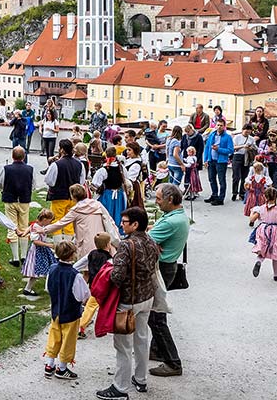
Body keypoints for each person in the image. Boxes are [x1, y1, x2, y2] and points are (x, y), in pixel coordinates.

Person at [96, 206, 159, 400]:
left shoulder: (126, 245)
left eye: (124, 222)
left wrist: (109, 267)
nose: (121, 225)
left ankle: (120, 387)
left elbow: (117, 276)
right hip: (147, 297)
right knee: (141, 338)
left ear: (135, 224)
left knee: (123, 346)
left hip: (128, 301)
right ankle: (141, 379)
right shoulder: (150, 240)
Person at [147, 184, 189, 378]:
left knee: (156, 317)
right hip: (169, 266)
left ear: (170, 200)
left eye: (158, 198)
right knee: (157, 312)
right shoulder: (178, 216)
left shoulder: (171, 222)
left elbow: (143, 241)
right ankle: (157, 350)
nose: (156, 201)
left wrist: (150, 238)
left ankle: (173, 363)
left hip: (161, 269)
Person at [43, 241, 90, 381]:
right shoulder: (75, 275)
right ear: (71, 255)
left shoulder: (52, 269)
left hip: (56, 311)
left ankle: (49, 364)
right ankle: (62, 368)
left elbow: (47, 287)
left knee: (54, 337)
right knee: (68, 340)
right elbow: (82, 295)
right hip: (70, 313)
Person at [0, 147, 34, 267]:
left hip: (10, 199)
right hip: (24, 200)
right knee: (24, 226)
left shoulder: (6, 169)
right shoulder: (29, 169)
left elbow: (0, 184)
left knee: (12, 226)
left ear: (13, 157)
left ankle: (16, 257)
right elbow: (33, 185)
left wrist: (4, 189)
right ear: (23, 157)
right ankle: (23, 256)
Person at [44, 139, 85, 243]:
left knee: (56, 220)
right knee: (70, 221)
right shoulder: (79, 164)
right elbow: (81, 181)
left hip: (59, 196)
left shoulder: (56, 164)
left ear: (62, 150)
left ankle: (58, 247)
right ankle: (68, 246)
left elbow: (49, 180)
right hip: (73, 197)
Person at [249, 187, 277, 282]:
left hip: (263, 230)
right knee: (275, 252)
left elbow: (252, 219)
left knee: (263, 249)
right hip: (275, 231)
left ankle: (259, 261)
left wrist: (251, 212)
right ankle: (276, 275)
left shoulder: (260, 209)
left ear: (265, 197)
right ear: (276, 197)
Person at [78, 232, 113, 339]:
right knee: (92, 306)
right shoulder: (108, 258)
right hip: (103, 286)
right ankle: (80, 327)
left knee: (92, 305)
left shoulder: (92, 253)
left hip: (93, 283)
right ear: (108, 245)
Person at [21, 209, 57, 296]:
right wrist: (48, 245)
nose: (50, 223)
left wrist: (24, 233)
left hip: (42, 250)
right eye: (49, 221)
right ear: (44, 220)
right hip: (37, 251)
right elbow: (35, 241)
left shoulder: (36, 226)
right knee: (37, 270)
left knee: (49, 266)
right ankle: (45, 287)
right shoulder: (37, 228)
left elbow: (30, 227)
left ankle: (29, 288)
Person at [92, 147, 127, 227]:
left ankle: (106, 229)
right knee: (118, 212)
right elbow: (126, 178)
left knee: (107, 213)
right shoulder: (121, 168)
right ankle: (118, 230)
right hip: (119, 194)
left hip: (107, 195)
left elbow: (96, 183)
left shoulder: (103, 170)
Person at [203, 119, 234, 205]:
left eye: (221, 125)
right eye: (218, 125)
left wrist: (219, 149)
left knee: (221, 180)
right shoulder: (212, 135)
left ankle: (221, 198)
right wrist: (206, 159)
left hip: (221, 161)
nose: (219, 127)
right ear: (215, 126)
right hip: (211, 160)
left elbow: (230, 150)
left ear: (224, 126)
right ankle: (214, 195)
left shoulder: (227, 137)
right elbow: (207, 148)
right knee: (211, 179)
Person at [231, 124, 255, 202]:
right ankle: (234, 192)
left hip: (246, 157)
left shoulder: (251, 138)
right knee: (236, 176)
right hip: (237, 156)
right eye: (246, 130)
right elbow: (233, 148)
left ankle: (242, 193)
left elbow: (255, 148)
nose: (247, 131)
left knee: (244, 176)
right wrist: (243, 146)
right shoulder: (237, 137)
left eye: (249, 130)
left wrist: (251, 147)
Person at [124, 142, 147, 210]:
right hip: (127, 184)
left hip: (132, 186)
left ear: (135, 150)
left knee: (133, 206)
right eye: (127, 150)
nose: (127, 152)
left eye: (129, 150)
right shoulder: (129, 160)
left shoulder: (136, 164)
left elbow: (131, 178)